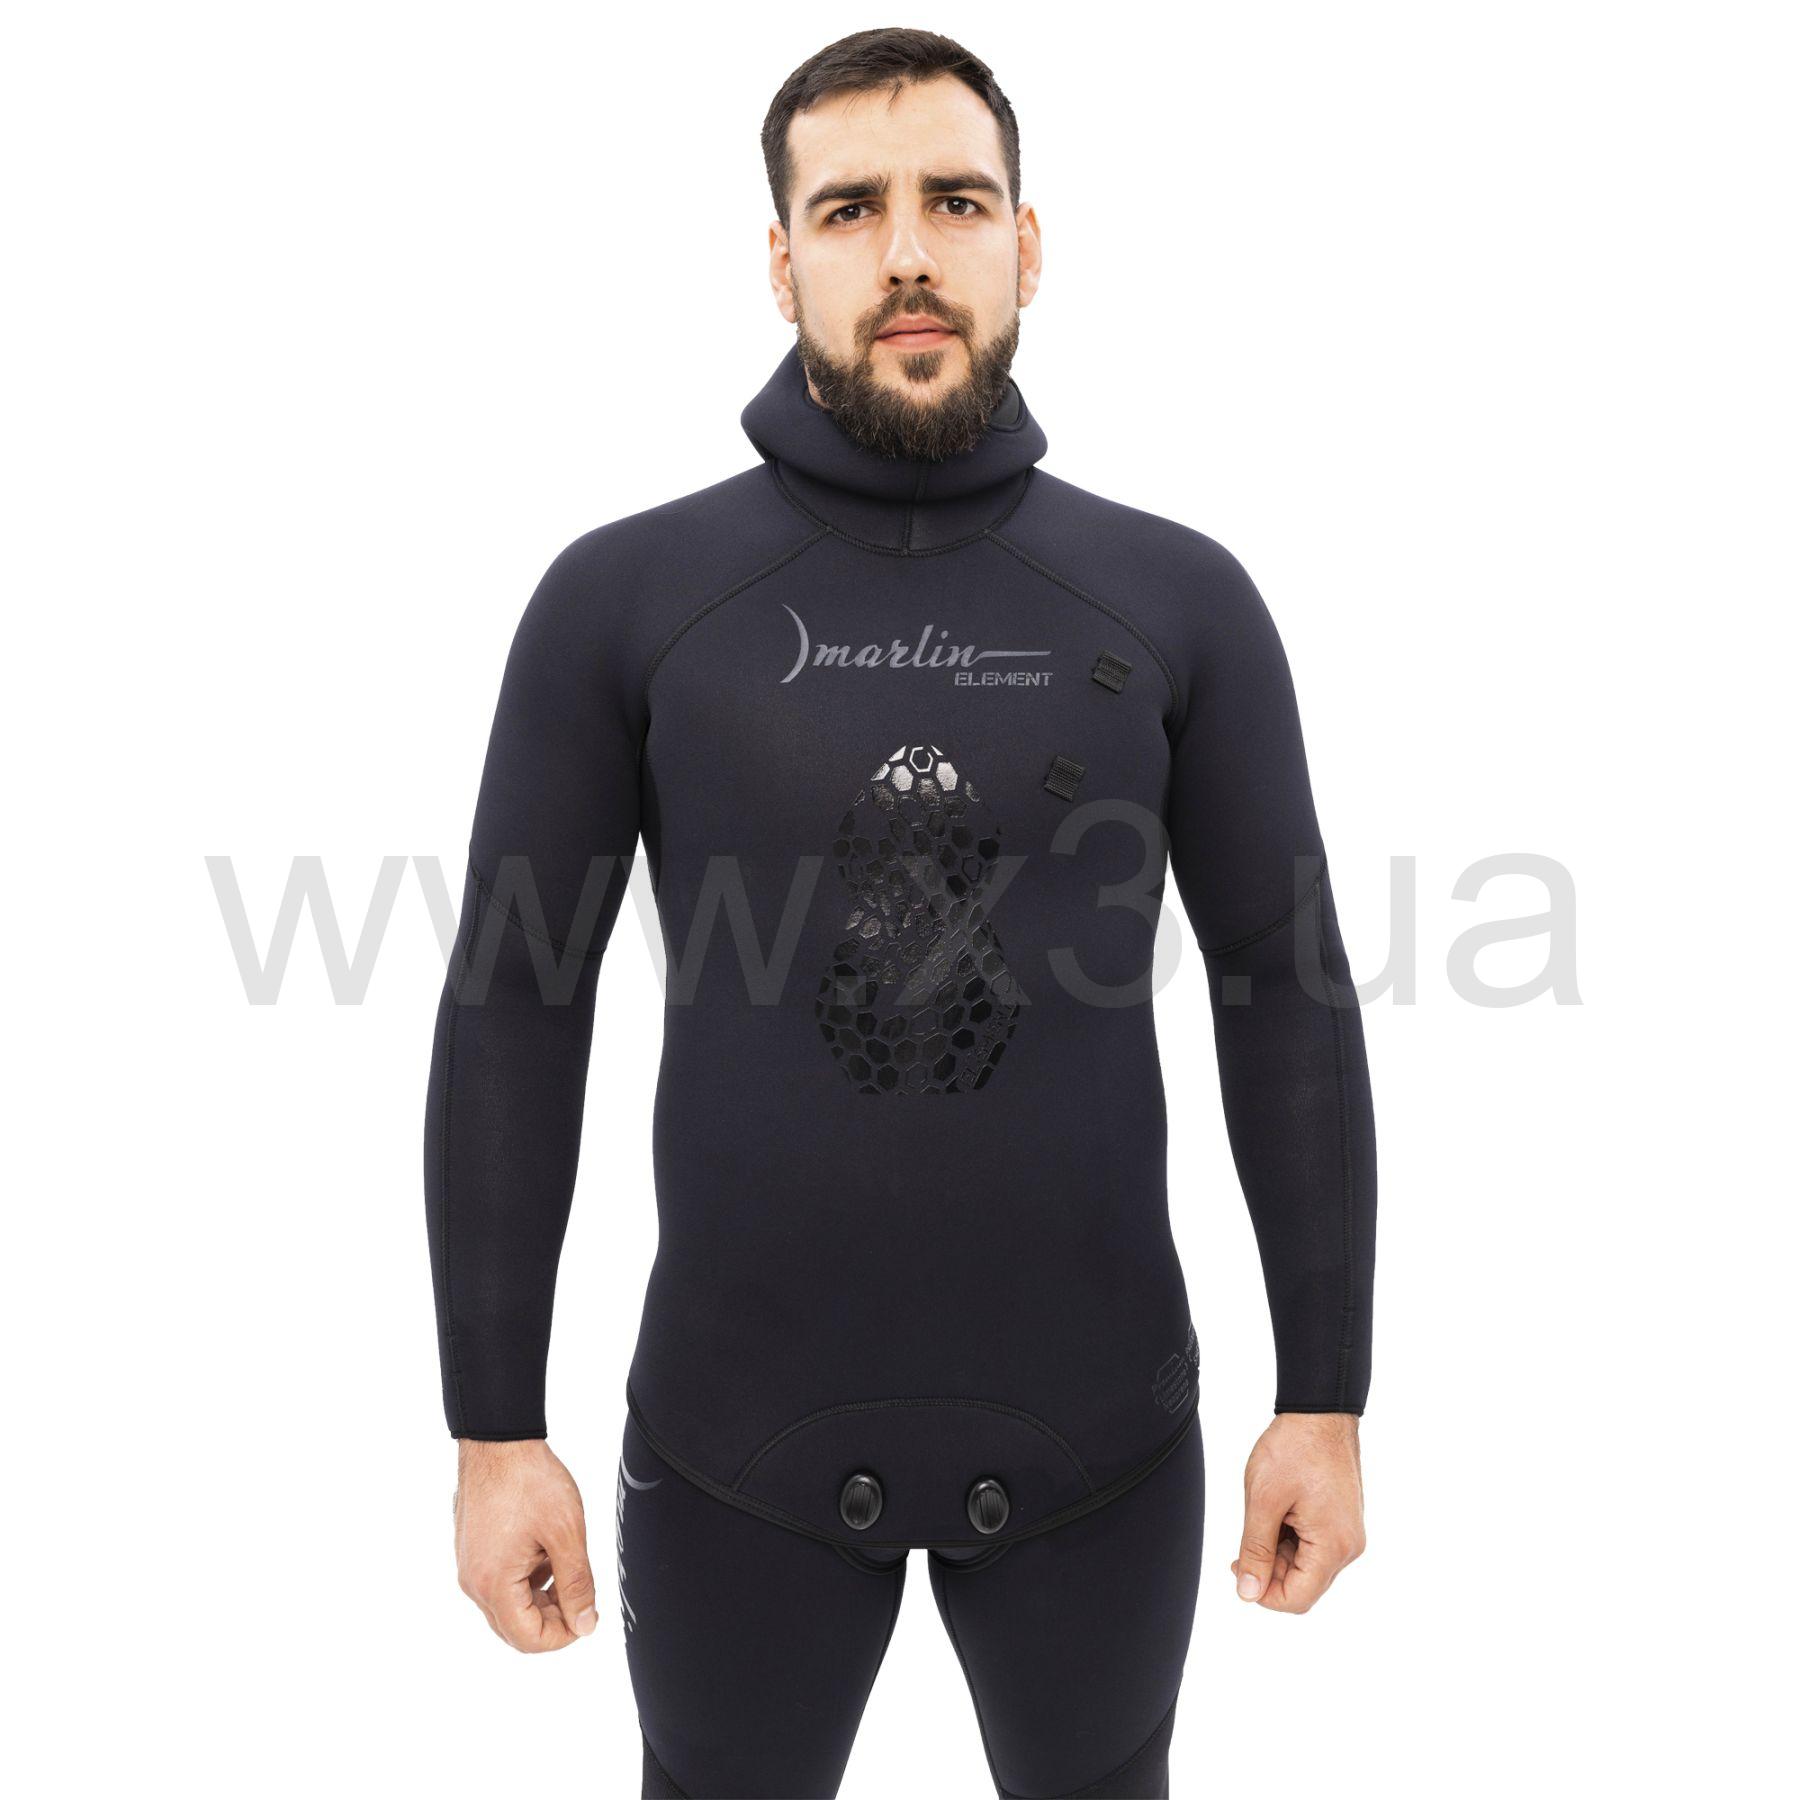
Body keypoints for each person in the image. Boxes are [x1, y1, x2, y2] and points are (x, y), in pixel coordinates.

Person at [425, 27, 1375, 1800]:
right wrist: (494, 1432)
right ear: (781, 261)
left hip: (1100, 1445)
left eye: (959, 200)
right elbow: (511, 1007)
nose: (912, 252)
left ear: (1032, 242)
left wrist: (1324, 1396)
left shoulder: (1183, 601)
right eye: (852, 210)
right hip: (732, 1448)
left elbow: (1286, 987)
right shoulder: (623, 602)